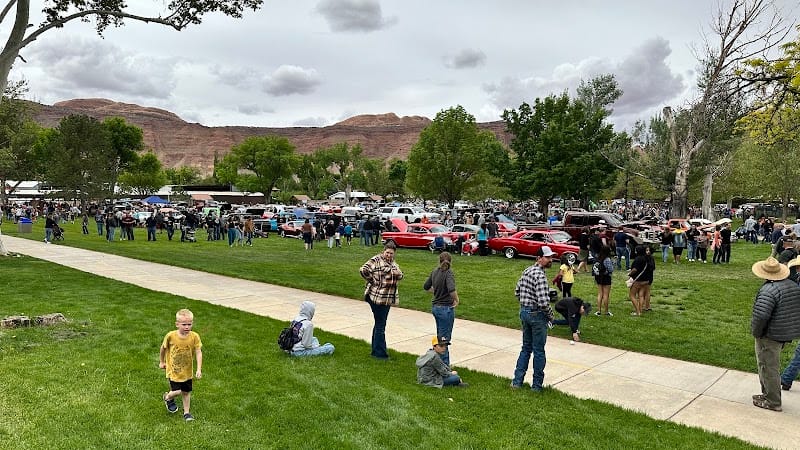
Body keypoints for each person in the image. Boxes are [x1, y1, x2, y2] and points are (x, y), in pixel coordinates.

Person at [750, 257, 800, 412]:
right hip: (784, 333)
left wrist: (757, 333)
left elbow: (761, 316)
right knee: (770, 365)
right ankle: (767, 394)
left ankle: (772, 401)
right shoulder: (792, 285)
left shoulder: (768, 290)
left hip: (770, 335)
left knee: (768, 367)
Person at [511, 246, 556, 391]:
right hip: (537, 315)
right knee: (538, 351)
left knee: (526, 348)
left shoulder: (527, 271)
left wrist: (525, 303)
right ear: (539, 258)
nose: (550, 260)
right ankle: (536, 386)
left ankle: (517, 382)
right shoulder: (540, 276)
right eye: (547, 257)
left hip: (524, 312)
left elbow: (517, 291)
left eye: (551, 257)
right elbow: (543, 302)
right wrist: (551, 316)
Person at [360, 241, 404, 359]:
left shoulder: (393, 263)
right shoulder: (376, 260)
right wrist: (372, 281)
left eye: (391, 253)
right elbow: (363, 270)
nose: (389, 255)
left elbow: (400, 275)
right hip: (376, 298)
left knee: (379, 324)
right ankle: (380, 354)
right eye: (387, 252)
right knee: (380, 325)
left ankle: (376, 350)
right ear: (383, 251)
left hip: (386, 299)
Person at [159, 308, 203, 421]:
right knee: (177, 391)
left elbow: (198, 352)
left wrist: (198, 369)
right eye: (184, 324)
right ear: (177, 324)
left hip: (187, 371)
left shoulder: (194, 336)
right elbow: (163, 348)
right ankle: (168, 397)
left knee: (186, 392)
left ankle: (187, 413)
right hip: (174, 370)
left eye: (189, 324)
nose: (187, 327)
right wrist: (162, 361)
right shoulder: (171, 336)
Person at [423, 251, 460, 367]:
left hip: (436, 308)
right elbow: (451, 289)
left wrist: (436, 291)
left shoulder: (435, 272)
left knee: (440, 337)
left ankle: (438, 363)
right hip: (445, 309)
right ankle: (444, 367)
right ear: (451, 261)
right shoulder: (448, 273)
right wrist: (456, 300)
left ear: (439, 261)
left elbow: (426, 286)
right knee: (444, 340)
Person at [628, 246, 653, 316]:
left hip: (638, 280)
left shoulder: (638, 259)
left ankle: (637, 311)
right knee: (641, 296)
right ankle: (640, 310)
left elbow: (635, 269)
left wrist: (629, 274)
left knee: (632, 295)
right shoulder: (647, 258)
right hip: (646, 280)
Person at [594, 246, 614, 316]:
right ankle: (606, 311)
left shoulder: (598, 257)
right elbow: (610, 269)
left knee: (600, 294)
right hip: (606, 278)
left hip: (598, 277)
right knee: (606, 295)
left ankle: (598, 311)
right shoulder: (607, 259)